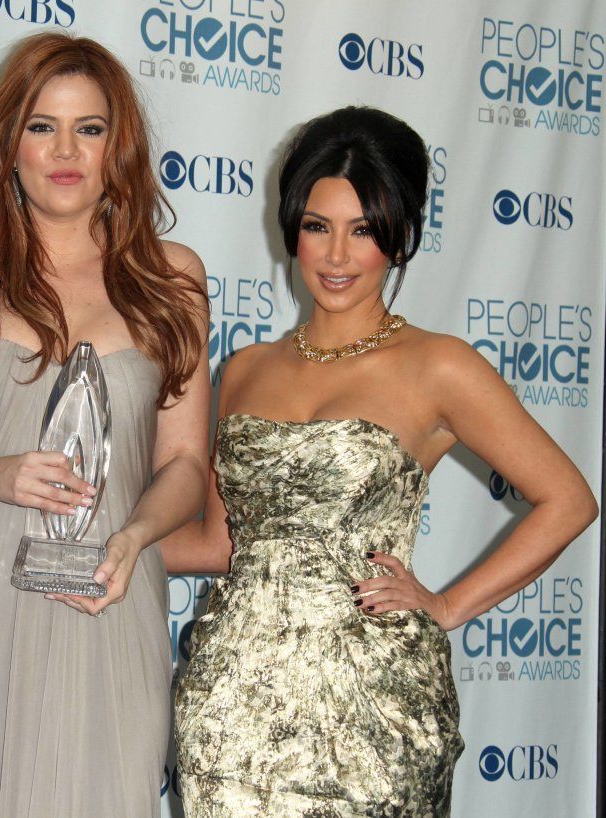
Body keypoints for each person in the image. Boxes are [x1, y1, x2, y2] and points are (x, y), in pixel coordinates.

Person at [166, 106, 598, 816]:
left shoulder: (438, 366)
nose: (336, 257)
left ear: (398, 238)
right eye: (317, 227)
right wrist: (104, 540)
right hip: (230, 705)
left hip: (373, 710)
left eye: (363, 230)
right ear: (291, 232)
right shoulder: (243, 370)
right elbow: (221, 543)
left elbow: (568, 500)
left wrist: (448, 605)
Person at [0, 32, 210, 818]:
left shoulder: (173, 279)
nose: (66, 151)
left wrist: (134, 538)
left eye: (89, 129)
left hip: (108, 601)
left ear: (117, 147)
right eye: (41, 126)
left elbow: (187, 463)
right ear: (6, 145)